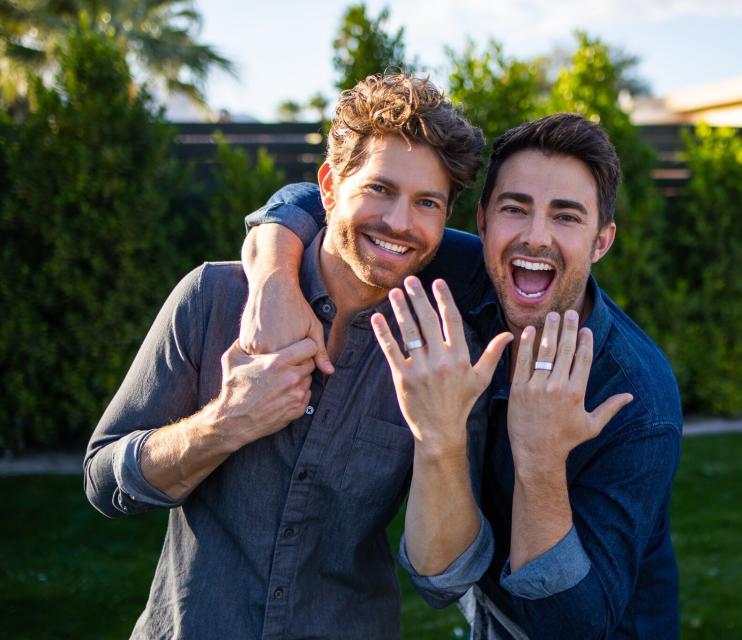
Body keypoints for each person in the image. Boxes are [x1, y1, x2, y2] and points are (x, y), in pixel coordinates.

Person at [83, 73, 507, 639]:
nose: (401, 222)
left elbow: (442, 577)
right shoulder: (214, 298)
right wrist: (223, 425)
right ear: (329, 187)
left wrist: (442, 436)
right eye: (379, 188)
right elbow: (104, 481)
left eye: (426, 202)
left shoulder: (446, 356)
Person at [242, 113, 684, 638]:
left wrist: (540, 459)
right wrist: (273, 279)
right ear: (482, 222)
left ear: (601, 242)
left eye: (566, 217)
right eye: (515, 209)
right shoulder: (468, 273)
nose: (535, 237)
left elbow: (573, 625)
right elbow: (323, 200)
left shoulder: (637, 400)